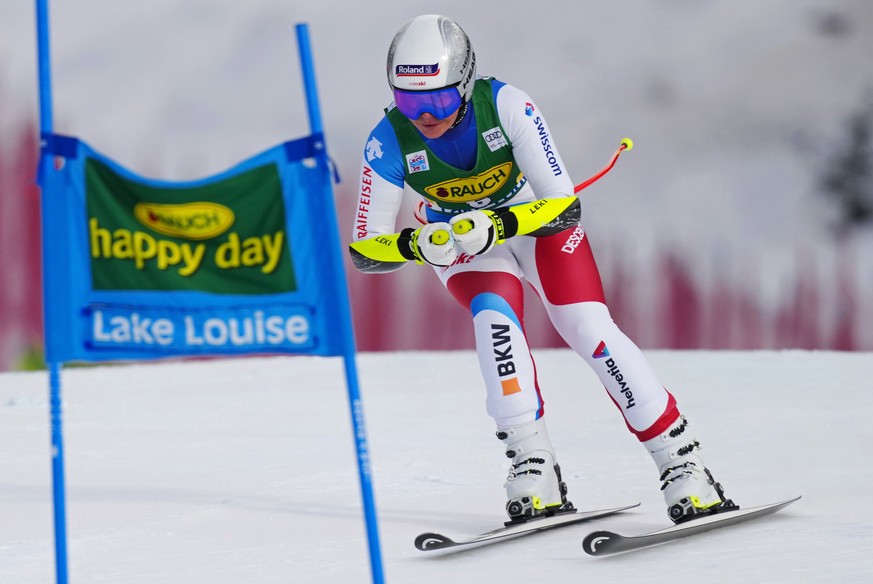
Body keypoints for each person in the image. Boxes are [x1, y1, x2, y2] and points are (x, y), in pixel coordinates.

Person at [349, 14, 737, 524]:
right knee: (494, 320)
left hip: (534, 223)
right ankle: (532, 467)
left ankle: (683, 464)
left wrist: (498, 224)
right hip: (461, 241)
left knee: (587, 328)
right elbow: (366, 250)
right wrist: (418, 244)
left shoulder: (508, 105)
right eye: (408, 100)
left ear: (464, 84)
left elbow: (562, 205)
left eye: (437, 100)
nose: (423, 116)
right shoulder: (387, 139)